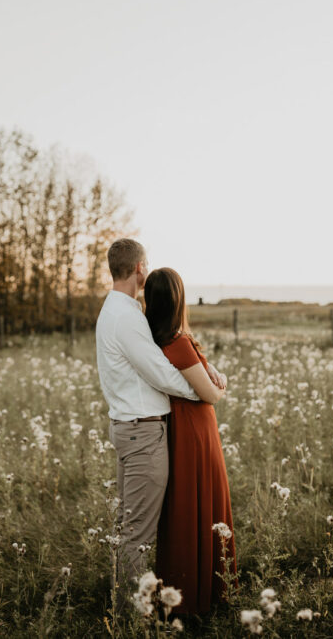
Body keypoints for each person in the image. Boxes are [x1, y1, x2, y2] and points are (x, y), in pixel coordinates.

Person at [95, 239, 226, 600]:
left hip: (132, 430)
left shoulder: (118, 310)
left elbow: (162, 358)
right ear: (139, 268)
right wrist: (204, 391)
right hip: (142, 434)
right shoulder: (125, 317)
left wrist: (203, 368)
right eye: (147, 263)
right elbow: (161, 373)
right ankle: (132, 613)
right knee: (137, 533)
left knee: (129, 526)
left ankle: (123, 600)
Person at [144, 267, 237, 616]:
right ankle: (205, 595)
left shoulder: (155, 340)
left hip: (180, 429)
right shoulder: (178, 342)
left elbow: (202, 376)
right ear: (179, 300)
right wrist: (220, 384)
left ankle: (186, 590)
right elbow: (209, 395)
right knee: (203, 501)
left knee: (186, 505)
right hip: (196, 432)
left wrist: (212, 370)